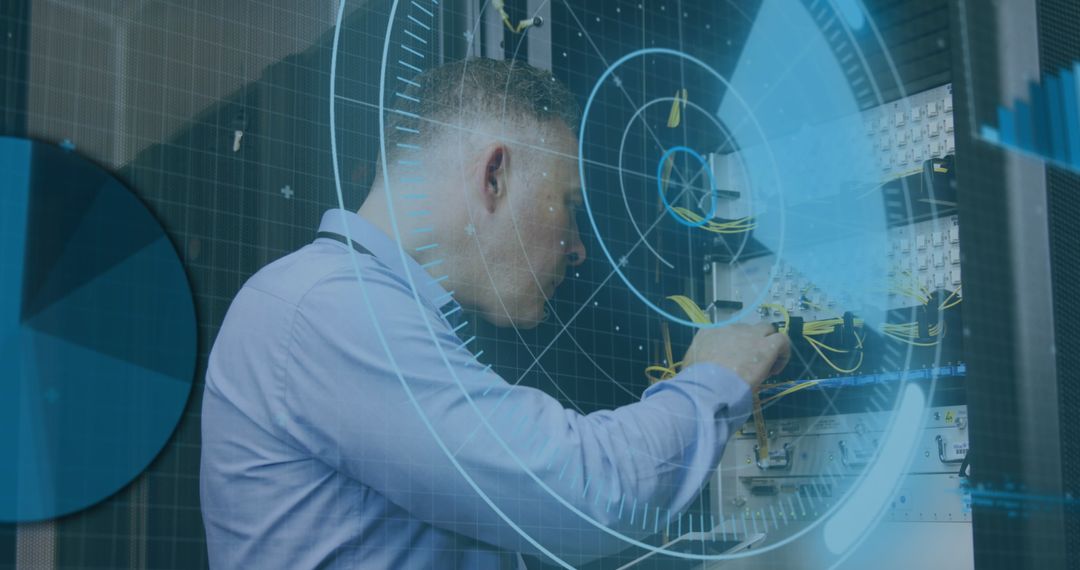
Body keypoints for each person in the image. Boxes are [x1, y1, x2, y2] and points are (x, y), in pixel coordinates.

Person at [200, 57, 790, 569]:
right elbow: (587, 496)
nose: (580, 247)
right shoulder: (325, 307)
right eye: (567, 202)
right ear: (494, 175)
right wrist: (715, 377)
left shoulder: (352, 305)